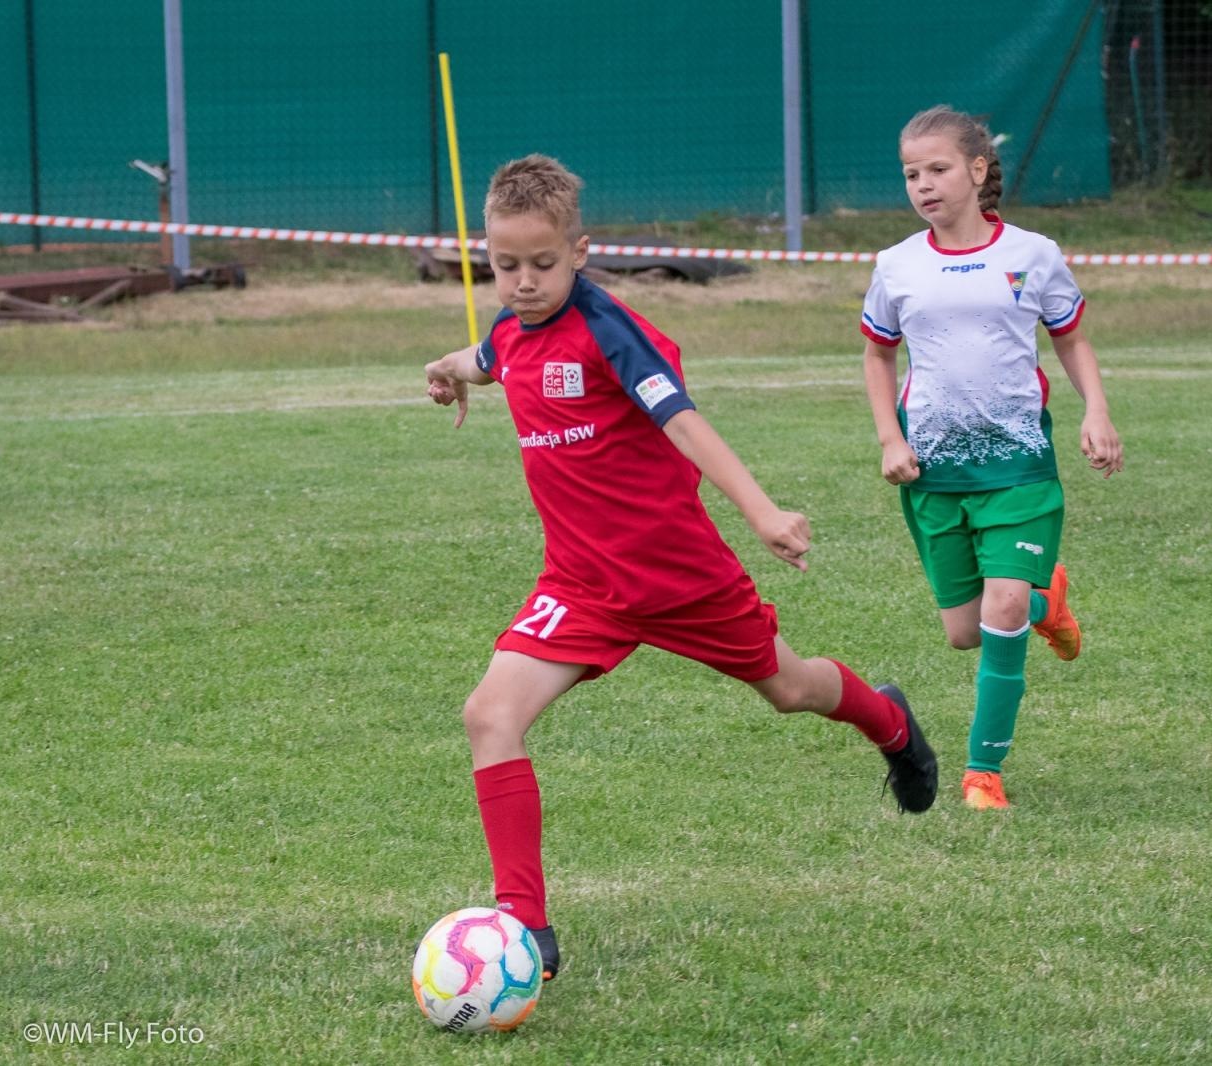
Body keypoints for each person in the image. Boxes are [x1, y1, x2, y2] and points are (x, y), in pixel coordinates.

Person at [424, 154, 938, 981]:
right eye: (504, 265)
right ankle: (523, 924)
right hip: (582, 586)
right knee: (489, 715)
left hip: (681, 580)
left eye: (542, 265)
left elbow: (686, 425)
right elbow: (490, 354)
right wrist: (449, 371)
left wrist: (763, 512)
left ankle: (891, 723)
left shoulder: (608, 331)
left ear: (581, 251)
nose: (522, 282)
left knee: (791, 689)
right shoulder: (513, 330)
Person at [860, 106, 1123, 812]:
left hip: (1019, 468)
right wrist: (891, 437)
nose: (924, 184)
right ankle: (1048, 599)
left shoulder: (1032, 255)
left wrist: (1095, 410)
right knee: (965, 632)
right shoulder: (897, 266)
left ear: (978, 170)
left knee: (1000, 606)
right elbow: (879, 355)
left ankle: (984, 775)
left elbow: (1070, 338)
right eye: (912, 173)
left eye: (938, 169)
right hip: (935, 475)